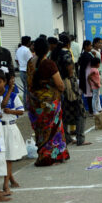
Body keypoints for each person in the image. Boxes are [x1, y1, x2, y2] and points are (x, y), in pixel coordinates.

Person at [27, 37, 70, 166]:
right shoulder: (49, 64)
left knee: (41, 129)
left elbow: (29, 82)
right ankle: (54, 155)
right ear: (47, 49)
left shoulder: (30, 62)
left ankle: (43, 155)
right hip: (50, 102)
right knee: (54, 129)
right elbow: (60, 85)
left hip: (35, 103)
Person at [0, 69, 27, 193]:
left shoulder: (13, 95)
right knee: (3, 156)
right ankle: (10, 179)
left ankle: (6, 184)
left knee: (9, 157)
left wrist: (11, 111)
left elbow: (21, 111)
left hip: (10, 128)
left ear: (4, 82)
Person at [78, 40, 94, 112]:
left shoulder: (86, 54)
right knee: (89, 93)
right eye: (90, 45)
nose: (91, 47)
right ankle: (90, 109)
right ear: (86, 46)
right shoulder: (86, 55)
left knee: (89, 93)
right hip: (87, 74)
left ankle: (90, 108)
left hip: (87, 73)